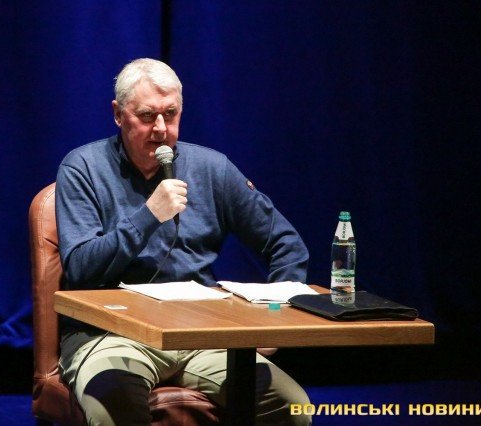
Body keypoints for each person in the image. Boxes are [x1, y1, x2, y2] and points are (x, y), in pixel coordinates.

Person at [56, 58, 311, 425]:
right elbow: (80, 268)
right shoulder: (83, 167)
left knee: (291, 406)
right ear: (118, 115)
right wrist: (149, 215)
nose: (161, 129)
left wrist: (274, 319)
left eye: (170, 114)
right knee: (113, 408)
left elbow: (286, 243)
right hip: (111, 334)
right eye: (147, 116)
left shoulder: (212, 168)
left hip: (198, 333)